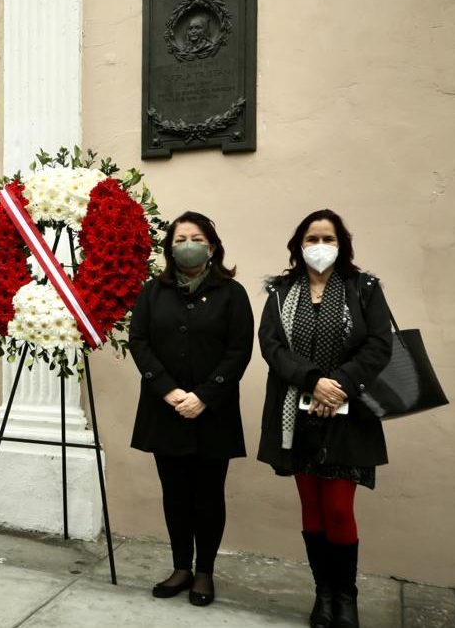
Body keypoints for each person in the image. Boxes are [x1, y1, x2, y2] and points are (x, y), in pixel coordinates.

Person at [257, 209, 393, 628]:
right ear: (299, 245)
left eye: (327, 238)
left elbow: (378, 344)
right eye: (312, 239)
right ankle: (323, 595)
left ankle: (346, 596)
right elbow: (272, 345)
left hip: (348, 416)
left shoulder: (363, 287)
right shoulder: (281, 291)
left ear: (342, 244)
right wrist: (313, 381)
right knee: (311, 509)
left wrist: (338, 386)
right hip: (295, 416)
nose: (320, 246)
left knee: (337, 509)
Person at [128, 211, 254, 607]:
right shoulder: (153, 291)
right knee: (175, 493)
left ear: (212, 246)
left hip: (212, 412)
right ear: (170, 248)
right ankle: (181, 565)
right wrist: (168, 391)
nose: (187, 244)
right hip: (165, 410)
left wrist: (204, 395)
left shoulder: (232, 293)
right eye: (179, 238)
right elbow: (139, 341)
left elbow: (239, 350)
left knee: (208, 495)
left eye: (195, 237)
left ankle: (204, 573)